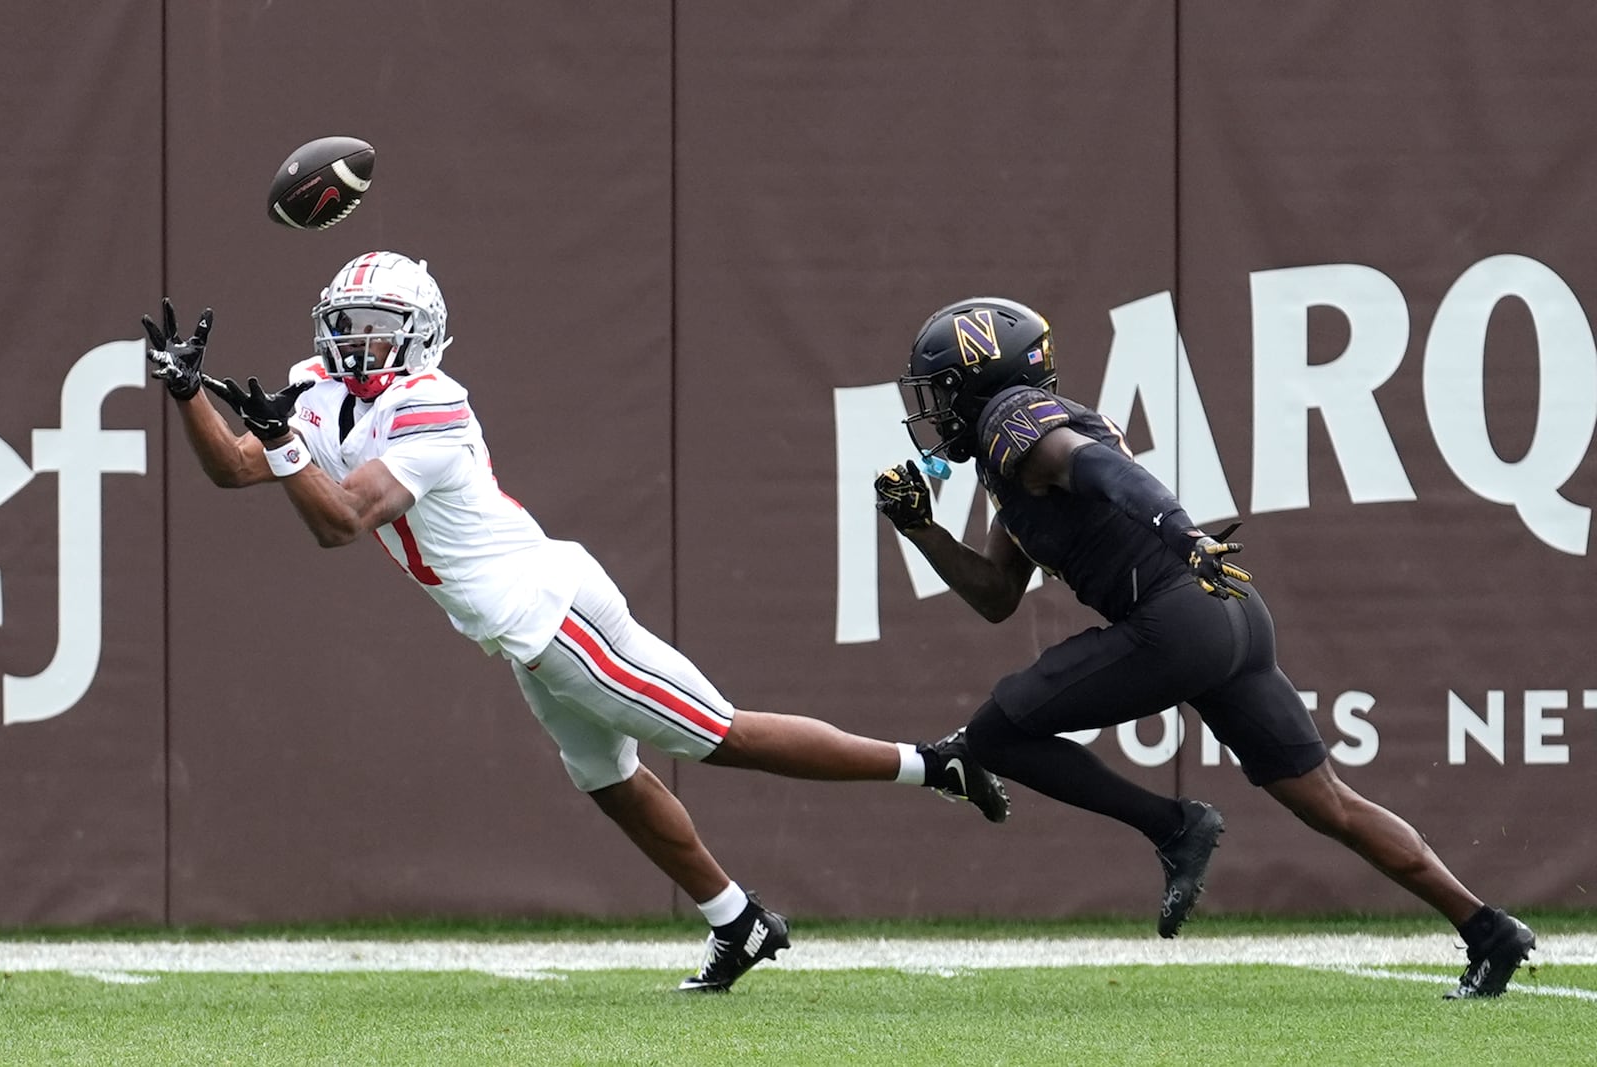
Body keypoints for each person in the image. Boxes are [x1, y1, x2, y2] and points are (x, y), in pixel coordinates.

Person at [140, 251, 1010, 994]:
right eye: (348, 322)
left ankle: (935, 763)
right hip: (522, 628)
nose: (356, 340)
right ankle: (738, 920)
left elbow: (340, 519)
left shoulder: (433, 401)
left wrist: (288, 447)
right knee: (607, 779)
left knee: (720, 736)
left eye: (377, 324)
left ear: (422, 334)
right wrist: (187, 397)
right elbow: (236, 469)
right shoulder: (317, 390)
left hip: (553, 609)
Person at [872, 296, 1536, 999]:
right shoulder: (1006, 459)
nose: (936, 409)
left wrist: (1181, 530)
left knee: (996, 732)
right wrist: (923, 530)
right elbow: (1000, 594)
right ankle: (1486, 926)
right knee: (1328, 803)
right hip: (1227, 612)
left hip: (1176, 613)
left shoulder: (1012, 417)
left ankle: (1174, 824)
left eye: (943, 389)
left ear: (985, 376)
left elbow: (1097, 466)